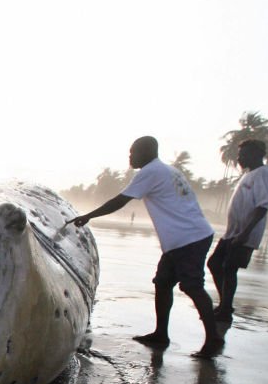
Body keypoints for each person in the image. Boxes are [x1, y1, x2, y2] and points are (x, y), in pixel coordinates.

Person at [70, 136, 223, 359]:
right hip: (187, 237)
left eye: (133, 152)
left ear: (147, 152)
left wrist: (88, 216)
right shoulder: (166, 170)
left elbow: (120, 201)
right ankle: (161, 334)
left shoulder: (150, 171)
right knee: (163, 283)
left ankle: (214, 339)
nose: (130, 157)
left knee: (192, 286)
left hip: (187, 238)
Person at [207, 139, 268, 322]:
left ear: (256, 154)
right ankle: (225, 305)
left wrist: (245, 233)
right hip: (233, 232)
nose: (239, 158)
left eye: (243, 154)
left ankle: (225, 309)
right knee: (214, 264)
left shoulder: (263, 173)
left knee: (229, 268)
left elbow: (262, 207)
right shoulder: (249, 174)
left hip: (245, 233)